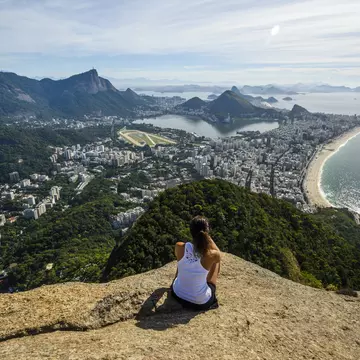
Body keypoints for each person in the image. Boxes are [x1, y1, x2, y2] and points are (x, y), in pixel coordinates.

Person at [171, 216, 221, 311]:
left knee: (181, 261)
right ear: (207, 232)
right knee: (216, 262)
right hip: (200, 302)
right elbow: (219, 255)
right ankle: (208, 282)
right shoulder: (211, 254)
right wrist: (207, 236)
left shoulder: (179, 246)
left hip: (177, 294)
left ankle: (179, 281)